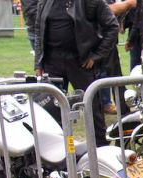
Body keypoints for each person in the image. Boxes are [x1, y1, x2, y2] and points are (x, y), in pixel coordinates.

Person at [34, 0, 119, 146]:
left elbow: (112, 27)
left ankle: (100, 149)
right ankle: (57, 150)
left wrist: (97, 56)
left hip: (80, 62)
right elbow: (38, 30)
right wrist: (38, 62)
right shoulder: (45, 2)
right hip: (52, 62)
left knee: (92, 108)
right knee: (51, 110)